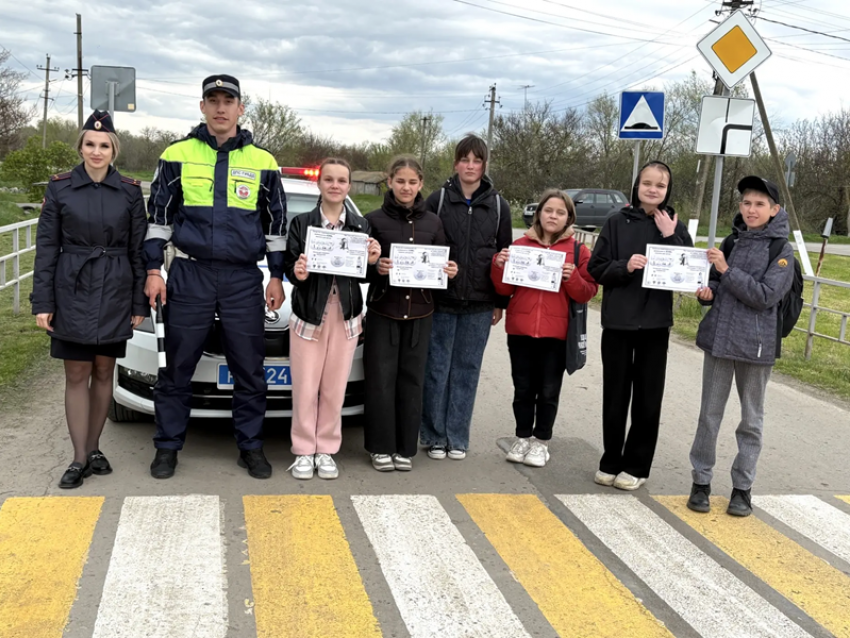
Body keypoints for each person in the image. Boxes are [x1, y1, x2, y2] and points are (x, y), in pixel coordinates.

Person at [143, 74, 286, 480]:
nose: (221, 108)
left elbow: (275, 225)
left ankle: (250, 447)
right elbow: (159, 219)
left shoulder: (264, 161)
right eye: (213, 100)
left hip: (242, 278)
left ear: (241, 108)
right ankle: (167, 447)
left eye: (228, 101)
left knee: (250, 368)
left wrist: (276, 276)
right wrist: (154, 269)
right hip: (191, 273)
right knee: (177, 366)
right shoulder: (176, 154)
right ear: (202, 106)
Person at [31, 110, 147, 488]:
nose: (97, 152)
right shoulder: (60, 188)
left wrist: (138, 303)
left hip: (115, 288)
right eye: (90, 144)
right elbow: (47, 248)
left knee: (103, 371)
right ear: (80, 147)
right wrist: (42, 301)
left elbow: (138, 251)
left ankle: (95, 447)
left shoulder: (130, 191)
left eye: (104, 146)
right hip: (72, 288)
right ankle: (79, 457)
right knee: (77, 373)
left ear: (114, 150)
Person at [687, 176, 795, 517]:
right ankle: (700, 482)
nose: (751, 209)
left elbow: (765, 296)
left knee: (751, 420)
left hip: (756, 347)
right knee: (709, 416)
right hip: (719, 341)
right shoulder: (731, 241)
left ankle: (742, 489)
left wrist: (725, 270)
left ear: (774, 210)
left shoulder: (781, 251)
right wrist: (708, 292)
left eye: (759, 204)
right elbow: (718, 284)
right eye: (747, 203)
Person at [588, 161, 692, 490]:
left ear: (668, 190)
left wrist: (670, 235)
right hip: (618, 322)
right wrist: (625, 266)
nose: (653, 189)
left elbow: (689, 271)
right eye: (647, 183)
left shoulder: (675, 225)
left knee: (648, 397)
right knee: (615, 395)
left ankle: (637, 465)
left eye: (660, 185)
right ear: (637, 185)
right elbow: (596, 268)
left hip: (655, 325)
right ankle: (610, 459)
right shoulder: (616, 222)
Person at [285, 158, 381, 480]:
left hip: (346, 317)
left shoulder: (361, 226)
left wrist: (372, 261)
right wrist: (298, 273)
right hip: (309, 316)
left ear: (349, 186)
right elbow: (290, 267)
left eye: (341, 180)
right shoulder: (301, 224)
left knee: (334, 389)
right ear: (319, 183)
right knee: (305, 388)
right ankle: (303, 450)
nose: (335, 185)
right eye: (329, 179)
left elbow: (365, 276)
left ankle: (325, 449)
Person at [420, 134, 513, 460]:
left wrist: (500, 302)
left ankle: (457, 438)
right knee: (436, 370)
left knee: (467, 371)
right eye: (464, 159)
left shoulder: (499, 206)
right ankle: (434, 436)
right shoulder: (438, 200)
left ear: (484, 165)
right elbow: (423, 244)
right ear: (456, 163)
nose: (470, 166)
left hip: (480, 304)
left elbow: (506, 257)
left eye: (476, 160)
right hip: (440, 302)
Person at [363, 157, 459, 471]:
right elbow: (360, 269)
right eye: (400, 181)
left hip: (420, 314)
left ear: (421, 184)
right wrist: (376, 267)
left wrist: (450, 271)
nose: (406, 187)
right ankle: (380, 447)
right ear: (389, 181)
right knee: (380, 381)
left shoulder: (433, 222)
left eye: (412, 182)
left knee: (412, 381)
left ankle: (405, 447)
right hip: (383, 310)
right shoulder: (373, 220)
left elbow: (442, 265)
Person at [491, 190, 598, 467]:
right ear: (538, 214)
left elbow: (587, 292)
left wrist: (572, 278)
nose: (553, 216)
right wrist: (498, 266)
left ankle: (541, 442)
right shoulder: (520, 246)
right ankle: (522, 437)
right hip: (521, 330)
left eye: (560, 212)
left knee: (549, 390)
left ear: (569, 218)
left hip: (557, 333)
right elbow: (504, 289)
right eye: (548, 210)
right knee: (523, 388)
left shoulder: (579, 251)